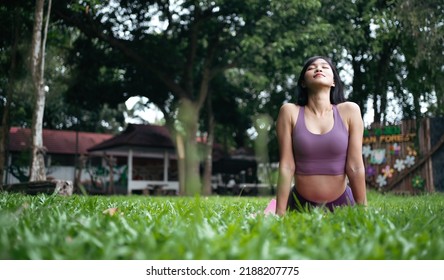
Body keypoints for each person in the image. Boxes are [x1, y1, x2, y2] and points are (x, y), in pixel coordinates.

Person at [274, 56, 367, 215]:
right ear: (303, 82)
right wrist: (279, 214)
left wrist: (364, 212)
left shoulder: (350, 111)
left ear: (333, 82)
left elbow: (355, 167)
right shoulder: (289, 112)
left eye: (325, 67)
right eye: (311, 68)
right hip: (299, 206)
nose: (318, 69)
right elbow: (287, 166)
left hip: (343, 205)